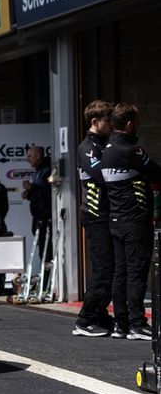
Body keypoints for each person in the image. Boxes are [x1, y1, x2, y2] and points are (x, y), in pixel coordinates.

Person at [101, 103, 161, 340]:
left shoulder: (107, 150)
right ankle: (137, 324)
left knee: (121, 273)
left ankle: (121, 324)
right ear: (128, 124)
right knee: (136, 272)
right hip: (135, 221)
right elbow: (157, 173)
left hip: (116, 219)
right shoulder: (130, 150)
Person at [73, 100, 116, 337]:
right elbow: (104, 175)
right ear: (94, 122)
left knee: (108, 269)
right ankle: (85, 319)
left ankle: (100, 314)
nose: (111, 124)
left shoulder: (104, 143)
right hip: (95, 214)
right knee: (102, 269)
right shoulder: (87, 147)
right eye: (107, 120)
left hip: (107, 214)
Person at [21, 145, 52, 261]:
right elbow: (39, 194)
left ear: (38, 156)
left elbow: (48, 193)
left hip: (45, 218)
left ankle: (46, 277)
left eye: (29, 156)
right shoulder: (39, 170)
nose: (27, 158)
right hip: (39, 217)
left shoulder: (47, 170)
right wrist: (29, 193)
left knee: (46, 251)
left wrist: (32, 188)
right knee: (42, 250)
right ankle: (44, 275)